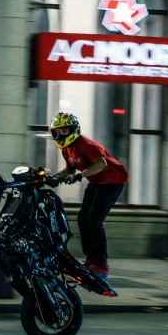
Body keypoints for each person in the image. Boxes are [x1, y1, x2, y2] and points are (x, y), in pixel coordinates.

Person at [49, 112, 129, 276]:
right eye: (57, 131)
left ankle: (101, 263)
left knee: (94, 221)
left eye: (63, 130)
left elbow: (101, 164)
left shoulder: (87, 145)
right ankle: (91, 259)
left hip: (112, 182)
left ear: (73, 130)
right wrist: (53, 177)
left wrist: (79, 176)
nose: (60, 134)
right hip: (95, 183)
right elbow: (70, 169)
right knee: (82, 219)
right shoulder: (67, 149)